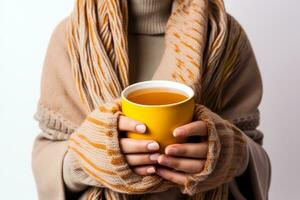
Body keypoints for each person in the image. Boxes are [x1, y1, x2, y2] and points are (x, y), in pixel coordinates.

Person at [32, 0, 271, 199]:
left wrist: (231, 152)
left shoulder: (223, 35)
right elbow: (48, 153)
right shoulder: (73, 37)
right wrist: (82, 160)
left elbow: (255, 157)